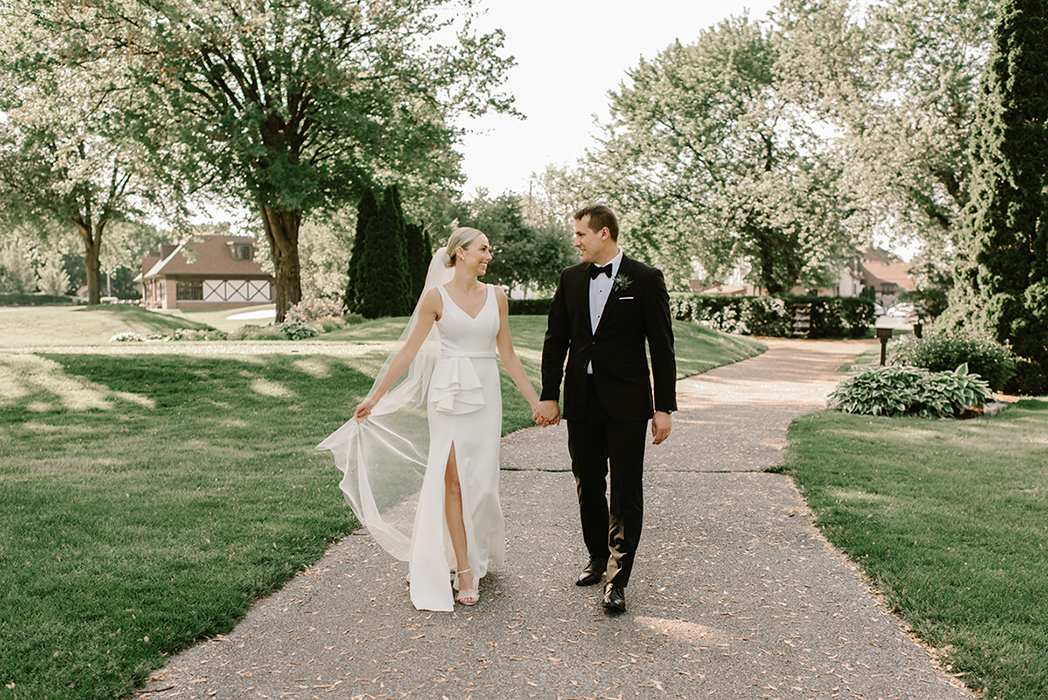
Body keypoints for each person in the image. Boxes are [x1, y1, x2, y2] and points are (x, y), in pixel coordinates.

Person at [317, 227, 542, 611]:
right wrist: (375, 395)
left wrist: (536, 401)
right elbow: (407, 352)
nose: (489, 255)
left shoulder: (497, 297)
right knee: (451, 482)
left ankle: (473, 552)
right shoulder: (435, 299)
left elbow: (508, 354)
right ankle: (465, 571)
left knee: (484, 485)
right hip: (449, 397)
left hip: (486, 395)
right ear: (460, 252)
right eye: (483, 249)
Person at [536, 204, 677, 613]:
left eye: (580, 233)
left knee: (627, 488)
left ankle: (617, 579)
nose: (575, 241)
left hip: (628, 402)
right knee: (587, 482)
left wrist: (663, 406)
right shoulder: (570, 278)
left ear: (604, 234)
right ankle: (597, 557)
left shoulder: (646, 279)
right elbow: (555, 339)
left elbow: (662, 347)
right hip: (582, 398)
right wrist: (550, 393)